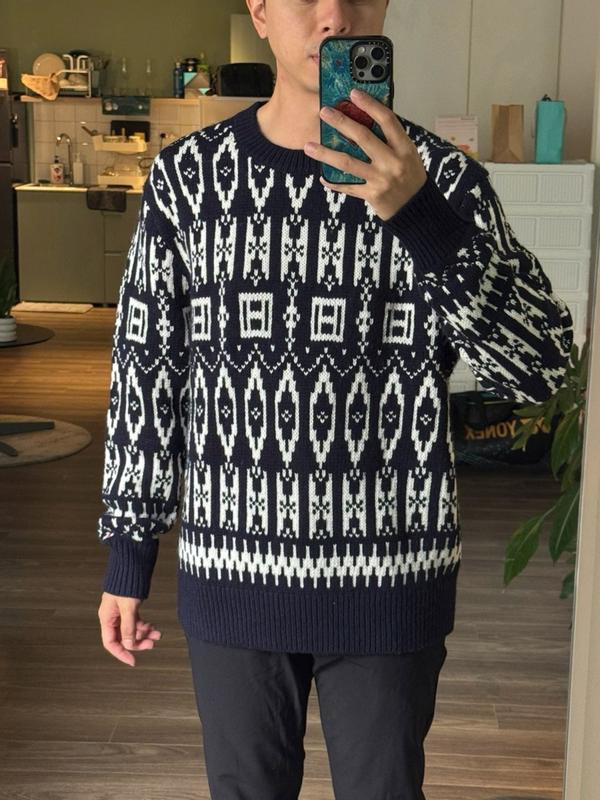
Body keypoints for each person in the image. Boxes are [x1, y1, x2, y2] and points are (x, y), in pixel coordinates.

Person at [97, 0, 574, 797]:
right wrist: (129, 548)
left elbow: (543, 367)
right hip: (233, 573)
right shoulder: (188, 179)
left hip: (391, 576)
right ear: (259, 11)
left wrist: (420, 218)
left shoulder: (444, 181)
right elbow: (148, 369)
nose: (333, 14)